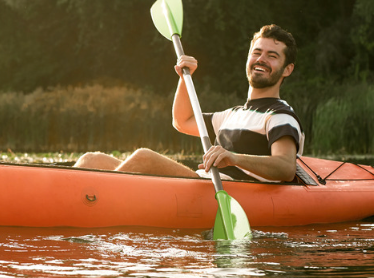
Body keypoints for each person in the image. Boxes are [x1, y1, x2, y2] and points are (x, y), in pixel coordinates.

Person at [74, 24, 302, 182]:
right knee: (91, 159)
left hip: (225, 191)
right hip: (203, 181)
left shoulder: (280, 116)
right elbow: (182, 121)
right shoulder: (232, 114)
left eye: (272, 56)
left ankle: (94, 203)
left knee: (144, 158)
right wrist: (184, 78)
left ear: (287, 69)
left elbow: (285, 167)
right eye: (257, 52)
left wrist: (233, 158)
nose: (261, 59)